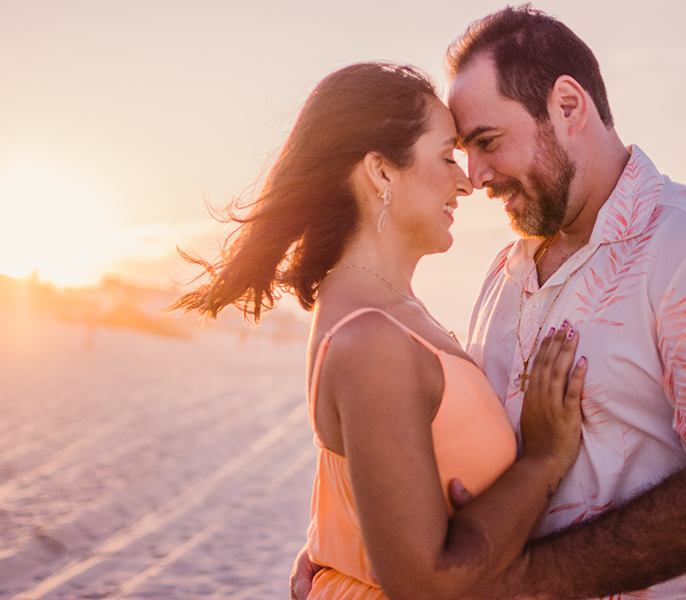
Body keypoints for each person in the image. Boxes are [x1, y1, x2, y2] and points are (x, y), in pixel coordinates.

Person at [292, 5, 686, 600]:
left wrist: (525, 582)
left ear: (566, 106)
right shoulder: (503, 277)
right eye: (459, 151)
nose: (475, 176)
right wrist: (344, 543)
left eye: (487, 142)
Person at [173, 62, 589, 600]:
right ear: (381, 172)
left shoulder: (383, 312)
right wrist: (542, 461)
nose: (466, 181)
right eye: (445, 157)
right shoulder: (372, 339)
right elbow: (423, 582)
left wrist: (331, 539)